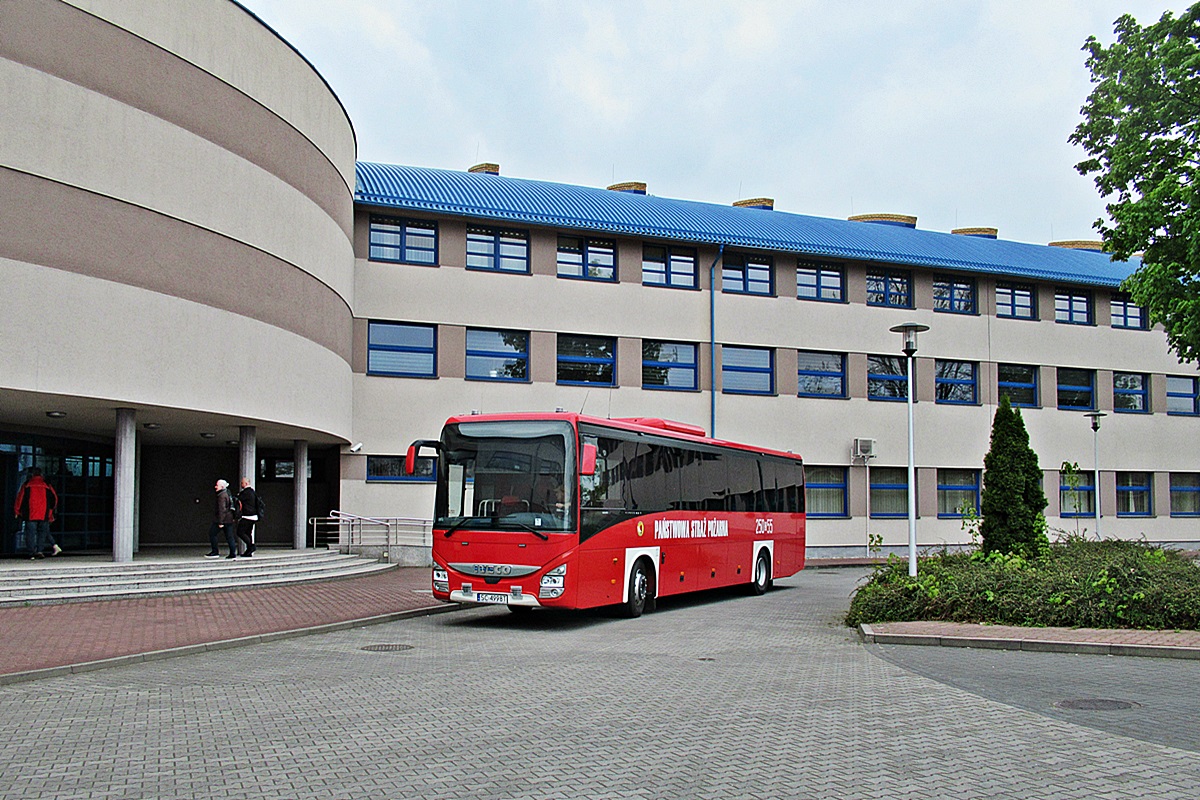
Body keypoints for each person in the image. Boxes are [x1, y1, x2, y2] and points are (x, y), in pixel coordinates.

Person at [14, 467, 62, 560]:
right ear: (41, 475)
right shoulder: (47, 485)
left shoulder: (27, 484)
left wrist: (17, 511)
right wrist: (51, 511)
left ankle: (32, 553)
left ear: (32, 475)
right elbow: (54, 499)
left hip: (30, 513)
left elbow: (20, 499)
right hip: (44, 513)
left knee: (30, 534)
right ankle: (40, 551)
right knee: (42, 533)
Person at [205, 479, 240, 559]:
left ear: (221, 486)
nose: (215, 487)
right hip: (229, 519)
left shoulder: (221, 495)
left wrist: (221, 522)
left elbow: (222, 509)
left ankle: (215, 551)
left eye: (217, 485)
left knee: (212, 533)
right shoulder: (228, 493)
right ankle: (232, 553)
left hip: (222, 519)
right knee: (229, 536)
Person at [235, 477, 259, 557]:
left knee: (240, 532)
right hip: (254, 516)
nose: (241, 484)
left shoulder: (245, 493)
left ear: (246, 483)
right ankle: (248, 551)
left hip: (247, 516)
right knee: (248, 533)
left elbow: (238, 499)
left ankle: (251, 546)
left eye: (242, 483)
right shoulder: (253, 492)